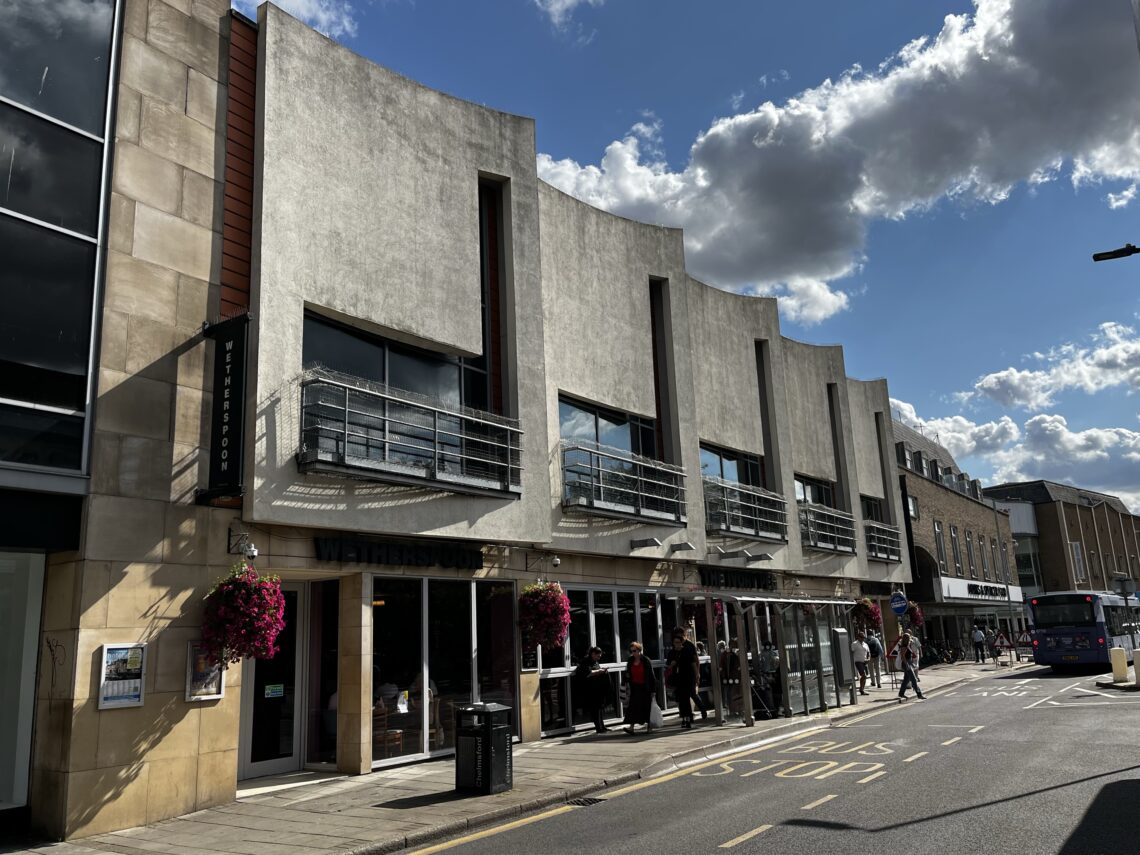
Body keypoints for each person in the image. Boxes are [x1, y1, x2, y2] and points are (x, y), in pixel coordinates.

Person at [665, 629, 705, 729]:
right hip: (677, 678)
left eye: (678, 642)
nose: (676, 644)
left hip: (688, 677)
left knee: (688, 697)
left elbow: (694, 663)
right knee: (680, 699)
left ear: (682, 641)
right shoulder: (671, 653)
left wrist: (697, 675)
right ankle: (684, 717)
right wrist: (671, 665)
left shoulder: (687, 650)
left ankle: (688, 718)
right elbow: (668, 666)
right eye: (675, 643)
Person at [573, 647, 610, 733]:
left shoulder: (595, 661)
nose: (599, 658)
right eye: (597, 656)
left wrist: (601, 671)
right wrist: (599, 671)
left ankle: (602, 726)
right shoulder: (585, 662)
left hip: (597, 688)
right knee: (595, 709)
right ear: (593, 654)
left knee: (600, 708)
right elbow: (587, 673)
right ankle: (599, 728)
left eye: (599, 656)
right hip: (590, 689)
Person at [622, 641, 656, 733]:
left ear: (639, 650)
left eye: (634, 651)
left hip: (645, 687)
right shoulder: (630, 660)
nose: (633, 653)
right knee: (633, 707)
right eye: (631, 651)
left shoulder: (646, 660)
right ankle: (631, 727)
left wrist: (653, 690)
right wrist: (626, 677)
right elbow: (627, 672)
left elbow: (651, 676)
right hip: (635, 687)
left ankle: (649, 727)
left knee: (647, 707)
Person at [897, 632, 925, 701]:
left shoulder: (907, 645)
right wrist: (907, 665)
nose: (910, 639)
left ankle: (901, 693)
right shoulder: (904, 646)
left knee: (906, 680)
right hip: (906, 664)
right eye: (909, 638)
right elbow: (903, 657)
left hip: (909, 663)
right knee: (913, 679)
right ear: (907, 639)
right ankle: (919, 694)